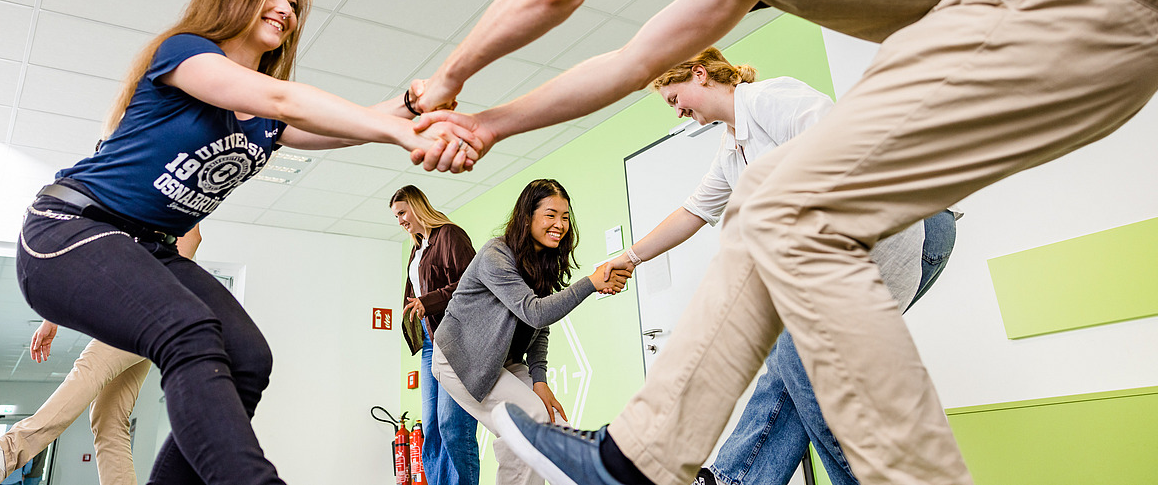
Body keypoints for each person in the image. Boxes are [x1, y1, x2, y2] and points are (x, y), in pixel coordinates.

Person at [407, 0, 1158, 484]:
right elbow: (633, 60)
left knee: (786, 205)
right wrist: (489, 124)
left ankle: (645, 460)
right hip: (1065, 18)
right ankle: (636, 459)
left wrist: (447, 76)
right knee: (770, 199)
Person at [0, 0, 476, 485]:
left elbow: (343, 127)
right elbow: (280, 97)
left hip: (149, 248)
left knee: (248, 357)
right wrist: (400, 130)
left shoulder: (266, 121)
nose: (285, 9)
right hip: (71, 228)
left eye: (292, 3)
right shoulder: (184, 54)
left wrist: (410, 106)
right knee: (190, 331)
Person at [607, 48, 957, 485]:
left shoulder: (768, 100)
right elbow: (691, 213)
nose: (676, 111)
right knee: (791, 363)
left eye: (674, 97)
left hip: (918, 227)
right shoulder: (731, 150)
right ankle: (734, 478)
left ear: (700, 75)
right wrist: (627, 259)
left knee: (797, 351)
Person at [0, 227, 203, 485]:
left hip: (150, 305)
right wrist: (52, 315)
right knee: (108, 419)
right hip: (146, 307)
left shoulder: (156, 192)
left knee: (91, 367)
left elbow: (191, 236)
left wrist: (158, 294)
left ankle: (6, 452)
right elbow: (98, 255)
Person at [431, 179, 629, 485]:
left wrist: (540, 380)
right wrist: (591, 283)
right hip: (462, 359)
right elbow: (535, 313)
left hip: (503, 359)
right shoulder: (495, 255)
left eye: (565, 216)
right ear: (527, 217)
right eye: (550, 215)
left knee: (555, 424)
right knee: (528, 423)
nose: (560, 224)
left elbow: (539, 329)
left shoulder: (543, 261)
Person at [392, 185, 482, 485]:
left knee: (452, 425)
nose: (401, 220)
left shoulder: (449, 235)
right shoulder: (416, 249)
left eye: (403, 212)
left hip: (457, 342)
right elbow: (416, 292)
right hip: (432, 343)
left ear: (418, 206)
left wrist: (427, 301)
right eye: (397, 216)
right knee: (431, 427)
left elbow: (473, 283)